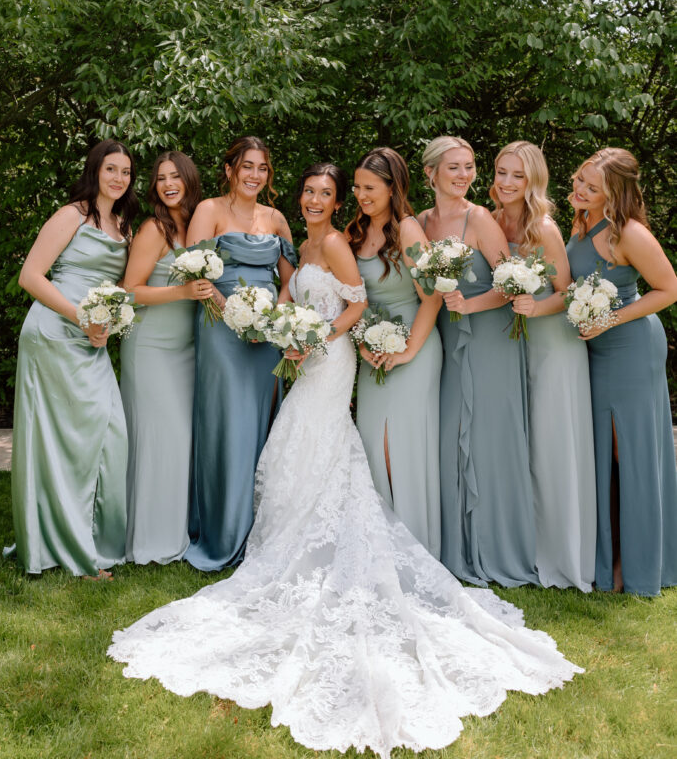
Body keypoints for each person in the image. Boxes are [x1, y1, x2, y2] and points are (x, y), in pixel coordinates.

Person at [109, 161, 582, 759]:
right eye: (314, 191)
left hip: (332, 359)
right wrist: (279, 321)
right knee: (297, 444)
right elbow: (292, 289)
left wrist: (319, 338)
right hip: (313, 353)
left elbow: (356, 303)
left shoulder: (335, 240)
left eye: (334, 192)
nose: (320, 200)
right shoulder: (320, 240)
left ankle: (335, 538)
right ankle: (294, 533)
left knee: (318, 437)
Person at [6, 140, 137, 578]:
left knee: (109, 434)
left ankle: (93, 538)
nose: (119, 178)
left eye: (126, 172)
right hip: (52, 332)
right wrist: (80, 316)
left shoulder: (125, 227)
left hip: (90, 337)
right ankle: (72, 552)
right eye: (111, 169)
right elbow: (30, 275)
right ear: (95, 170)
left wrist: (105, 324)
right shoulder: (72, 215)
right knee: (59, 442)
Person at [418, 135, 538, 587]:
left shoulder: (480, 217)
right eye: (454, 167)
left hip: (489, 339)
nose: (465, 175)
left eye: (469, 166)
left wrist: (468, 305)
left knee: (489, 438)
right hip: (447, 342)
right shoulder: (420, 223)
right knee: (453, 436)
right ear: (431, 173)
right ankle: (457, 545)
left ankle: (498, 548)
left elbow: (512, 283)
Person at [567, 147, 677, 596]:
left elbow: (668, 289)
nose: (581, 190)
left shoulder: (628, 233)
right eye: (579, 180)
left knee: (626, 451)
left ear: (615, 191)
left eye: (593, 187)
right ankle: (609, 556)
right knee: (603, 451)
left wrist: (609, 318)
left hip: (630, 346)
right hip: (595, 350)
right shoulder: (579, 221)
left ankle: (632, 563)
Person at [183, 135, 296, 571]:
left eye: (262, 168)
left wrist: (270, 319)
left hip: (264, 335)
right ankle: (223, 530)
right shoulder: (209, 211)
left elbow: (289, 281)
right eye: (246, 166)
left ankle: (261, 531)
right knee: (228, 424)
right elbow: (194, 273)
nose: (254, 175)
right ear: (230, 169)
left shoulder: (276, 218)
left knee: (261, 426)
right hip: (220, 326)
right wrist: (234, 314)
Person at [491, 141, 596, 591]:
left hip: (553, 344)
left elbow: (568, 292)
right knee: (523, 446)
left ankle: (561, 555)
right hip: (513, 344)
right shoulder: (491, 220)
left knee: (553, 445)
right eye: (501, 172)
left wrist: (536, 309)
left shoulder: (544, 227)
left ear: (533, 180)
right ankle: (524, 547)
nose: (507, 183)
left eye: (517, 175)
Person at [348, 147, 443, 558]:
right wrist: (364, 340)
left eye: (370, 188)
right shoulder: (354, 232)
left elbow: (433, 297)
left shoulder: (408, 231)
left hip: (414, 349)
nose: (361, 195)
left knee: (400, 448)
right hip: (373, 350)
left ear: (392, 187)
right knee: (373, 445)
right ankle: (378, 550)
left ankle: (414, 549)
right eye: (357, 187)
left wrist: (406, 352)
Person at [120, 151, 213, 565]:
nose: (168, 183)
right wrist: (181, 292)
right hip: (151, 346)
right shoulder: (154, 228)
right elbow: (130, 290)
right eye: (161, 178)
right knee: (162, 438)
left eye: (176, 176)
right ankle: (151, 540)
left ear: (190, 180)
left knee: (181, 440)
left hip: (186, 349)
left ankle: (178, 529)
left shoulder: (194, 227)